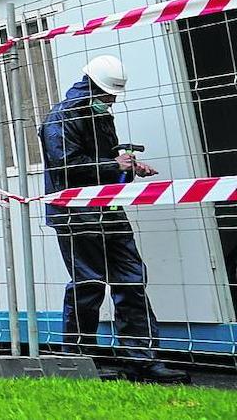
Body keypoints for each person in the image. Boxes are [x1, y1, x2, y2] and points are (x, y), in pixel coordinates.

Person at [39, 55, 188, 384]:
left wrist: (127, 166)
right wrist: (114, 165)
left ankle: (142, 361)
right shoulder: (63, 116)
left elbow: (103, 162)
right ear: (94, 87)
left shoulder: (99, 113)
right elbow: (66, 166)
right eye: (110, 94)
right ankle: (78, 361)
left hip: (108, 209)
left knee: (132, 281)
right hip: (75, 213)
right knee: (88, 286)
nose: (113, 100)